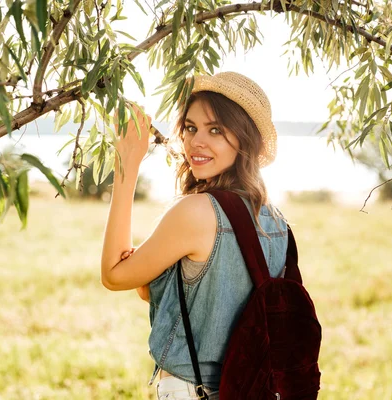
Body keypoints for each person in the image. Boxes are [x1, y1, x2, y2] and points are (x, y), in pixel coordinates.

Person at [101, 72, 289, 399]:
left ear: (245, 138)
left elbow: (114, 276)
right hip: (256, 391)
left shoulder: (196, 212)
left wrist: (126, 166)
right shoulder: (276, 222)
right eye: (190, 128)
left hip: (193, 390)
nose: (195, 142)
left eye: (215, 129)